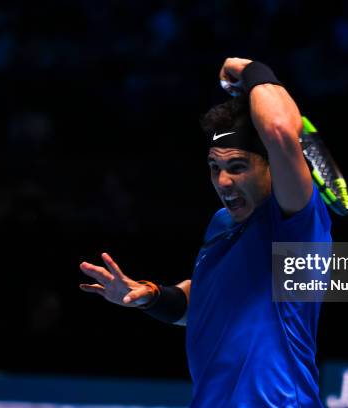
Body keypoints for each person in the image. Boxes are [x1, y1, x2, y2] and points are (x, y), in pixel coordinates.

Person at [79, 57, 332, 407]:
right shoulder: (221, 223)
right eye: (216, 167)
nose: (224, 182)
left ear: (274, 166)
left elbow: (277, 129)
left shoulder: (293, 223)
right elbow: (205, 301)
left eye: (238, 167)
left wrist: (251, 70)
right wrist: (153, 297)